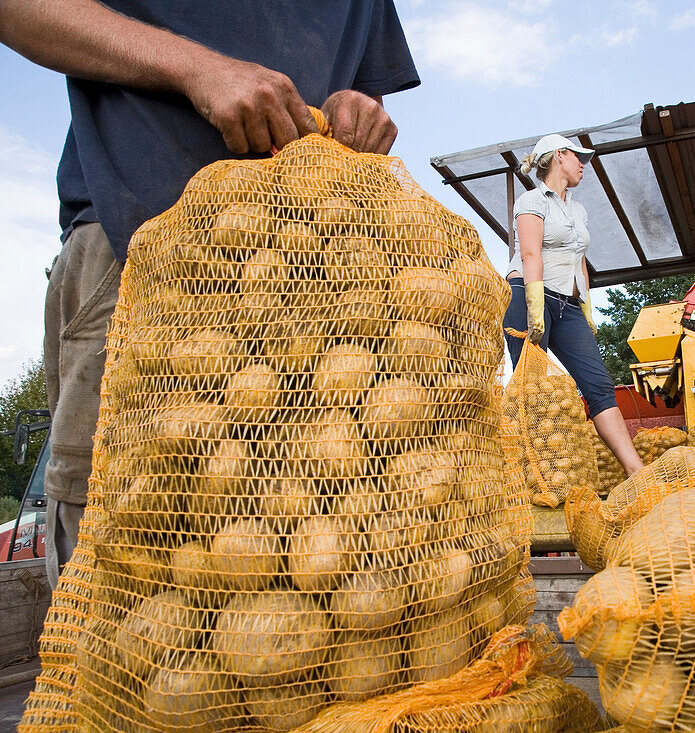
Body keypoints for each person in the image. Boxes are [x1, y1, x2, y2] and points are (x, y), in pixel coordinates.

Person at [0, 0, 419, 587]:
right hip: (141, 240)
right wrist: (198, 69)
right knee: (120, 536)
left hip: (316, 276)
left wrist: (357, 110)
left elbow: (365, 96)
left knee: (348, 517)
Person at [503, 134, 645, 476]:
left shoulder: (577, 210)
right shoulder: (530, 201)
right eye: (578, 157)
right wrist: (535, 305)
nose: (583, 164)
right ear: (559, 156)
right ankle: (534, 476)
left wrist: (586, 307)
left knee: (598, 384)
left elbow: (579, 259)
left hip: (568, 304)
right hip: (527, 294)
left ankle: (636, 470)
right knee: (532, 390)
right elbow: (530, 253)